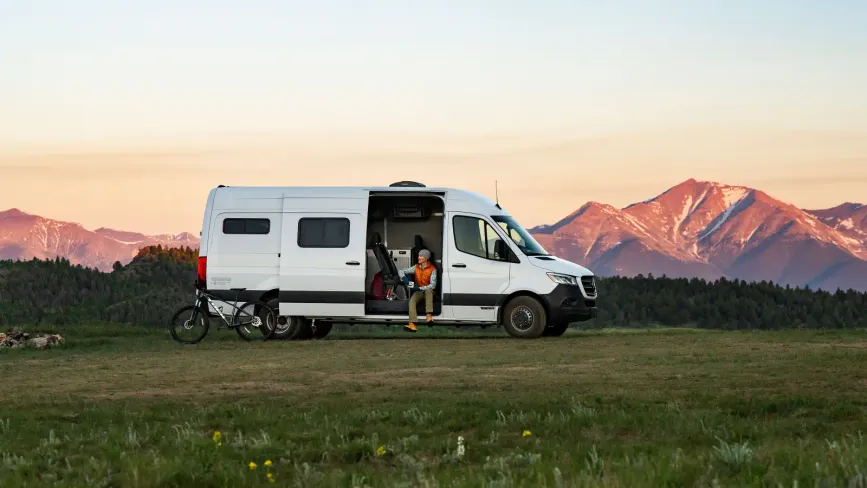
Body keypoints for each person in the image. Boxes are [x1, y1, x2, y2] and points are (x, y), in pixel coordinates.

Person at [398, 249, 437, 332]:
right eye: (419, 255)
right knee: (412, 301)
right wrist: (404, 278)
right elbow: (401, 271)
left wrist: (420, 288)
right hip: (419, 291)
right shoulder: (416, 267)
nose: (418, 257)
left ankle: (429, 315)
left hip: (429, 291)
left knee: (429, 290)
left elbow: (433, 285)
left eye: (421, 256)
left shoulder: (433, 269)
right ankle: (412, 324)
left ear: (426, 258)